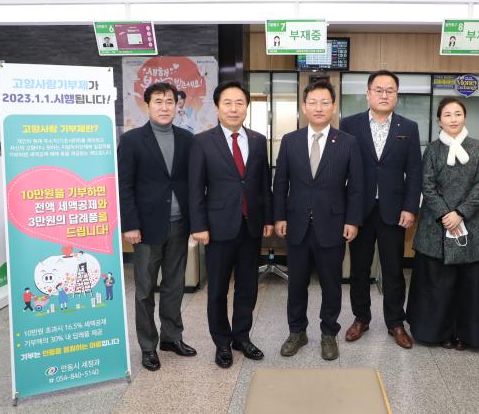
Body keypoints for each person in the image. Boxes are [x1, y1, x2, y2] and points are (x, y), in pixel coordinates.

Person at [273, 79, 363, 361]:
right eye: (313, 102)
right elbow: (280, 182)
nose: (319, 107)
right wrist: (279, 216)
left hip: (333, 225)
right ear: (304, 107)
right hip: (297, 224)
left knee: (331, 285)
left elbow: (356, 186)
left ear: (333, 107)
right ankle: (297, 332)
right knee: (296, 284)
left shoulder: (347, 142)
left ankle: (328, 334)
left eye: (325, 102)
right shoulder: (290, 141)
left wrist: (352, 220)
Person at [189, 81, 274, 369]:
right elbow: (195, 188)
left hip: (251, 227)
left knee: (248, 287)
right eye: (228, 103)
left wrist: (268, 219)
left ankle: (241, 337)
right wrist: (199, 225)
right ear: (217, 108)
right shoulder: (202, 142)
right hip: (217, 228)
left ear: (247, 107)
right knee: (217, 290)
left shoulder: (259, 140)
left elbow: (264, 184)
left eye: (239, 103)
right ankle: (222, 342)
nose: (234, 108)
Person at [339, 70, 422, 349]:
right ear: (368, 94)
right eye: (379, 90)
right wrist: (345, 212)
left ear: (396, 95)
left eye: (390, 90)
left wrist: (410, 208)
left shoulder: (408, 127)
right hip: (359, 211)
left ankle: (396, 322)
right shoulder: (349, 124)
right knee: (359, 269)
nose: (384, 95)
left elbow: (414, 171)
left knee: (394, 269)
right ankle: (361, 318)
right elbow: (342, 171)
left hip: (394, 211)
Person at [407, 97, 479, 350]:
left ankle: (468, 334)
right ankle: (439, 333)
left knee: (472, 284)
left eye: (458, 114)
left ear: (464, 117)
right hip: (437, 225)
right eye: (447, 115)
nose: (453, 119)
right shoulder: (432, 150)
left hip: (474, 223)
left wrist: (461, 213)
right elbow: (427, 185)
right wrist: (446, 214)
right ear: (439, 121)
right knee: (438, 285)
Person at [117, 81, 196, 371]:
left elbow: (193, 183)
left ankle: (172, 338)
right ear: (147, 105)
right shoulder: (132, 140)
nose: (165, 107)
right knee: (145, 289)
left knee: (175, 285)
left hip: (180, 225)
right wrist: (130, 225)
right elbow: (124, 185)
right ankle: (148, 346)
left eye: (169, 102)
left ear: (178, 105)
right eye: (158, 102)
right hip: (146, 228)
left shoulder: (187, 139)